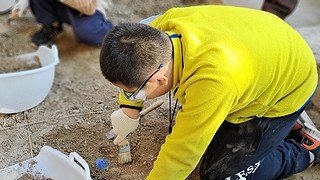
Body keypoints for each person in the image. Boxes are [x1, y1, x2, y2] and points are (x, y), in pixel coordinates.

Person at [99, 5, 319, 180]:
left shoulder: (213, 82)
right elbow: (131, 70)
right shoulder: (155, 33)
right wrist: (129, 110)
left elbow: (181, 154)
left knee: (221, 174)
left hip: (289, 87)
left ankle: (307, 150)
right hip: (271, 47)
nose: (130, 96)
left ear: (160, 79)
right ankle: (279, 128)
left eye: (132, 93)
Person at [10, 0, 113, 47]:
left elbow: (88, 8)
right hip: (63, 4)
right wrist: (24, 2)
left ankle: (108, 31)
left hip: (88, 7)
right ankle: (53, 25)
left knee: (87, 32)